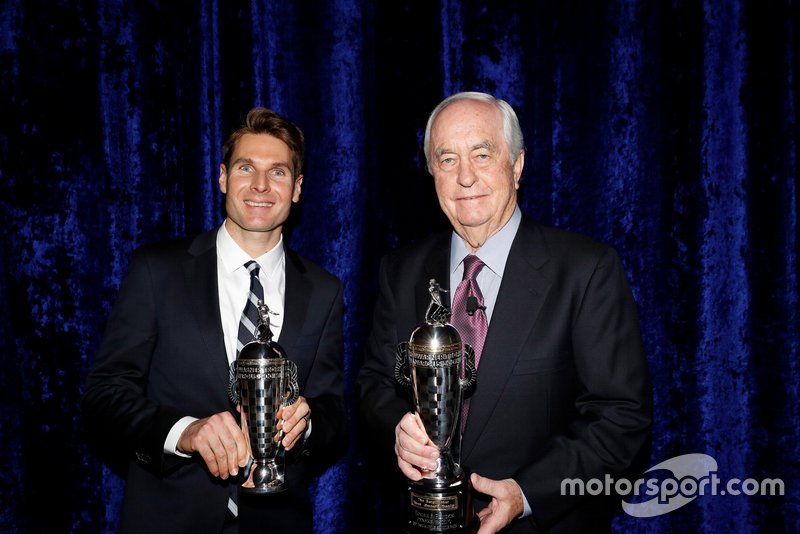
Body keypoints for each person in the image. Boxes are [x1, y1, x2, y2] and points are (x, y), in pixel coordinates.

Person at [357, 92, 652, 533]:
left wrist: (528, 493)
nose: (465, 177)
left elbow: (621, 416)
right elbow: (375, 385)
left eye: (482, 154)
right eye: (448, 159)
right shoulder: (400, 271)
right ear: (432, 173)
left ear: (516, 165)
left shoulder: (586, 270)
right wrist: (395, 433)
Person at [82, 107, 346, 533]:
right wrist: (183, 432)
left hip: (277, 522)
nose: (260, 185)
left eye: (277, 173)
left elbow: (334, 410)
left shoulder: (324, 290)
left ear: (297, 189)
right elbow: (104, 396)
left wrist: (310, 422)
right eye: (246, 168)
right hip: (167, 519)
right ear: (223, 177)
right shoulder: (157, 271)